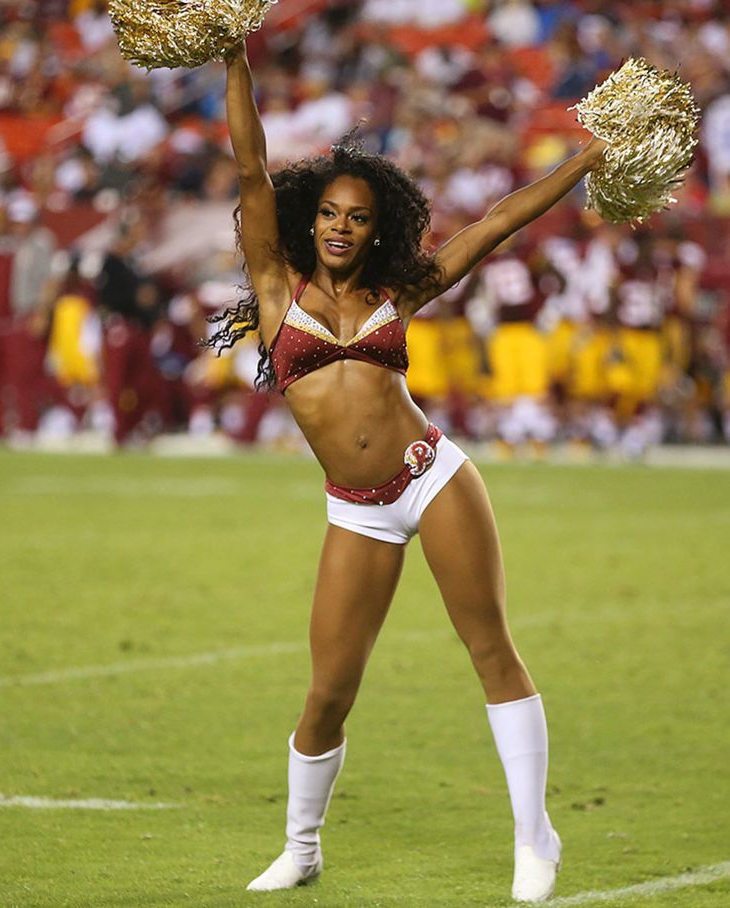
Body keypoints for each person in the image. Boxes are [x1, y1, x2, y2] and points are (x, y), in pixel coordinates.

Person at [217, 39, 606, 903]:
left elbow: (498, 222)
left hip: (433, 479)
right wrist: (232, 58)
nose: (341, 227)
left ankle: (533, 837)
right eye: (329, 214)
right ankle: (301, 846)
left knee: (490, 650)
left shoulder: (401, 291)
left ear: (375, 224)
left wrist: (588, 156)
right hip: (355, 508)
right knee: (325, 696)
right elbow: (249, 167)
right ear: (308, 220)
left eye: (357, 216)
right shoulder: (277, 290)